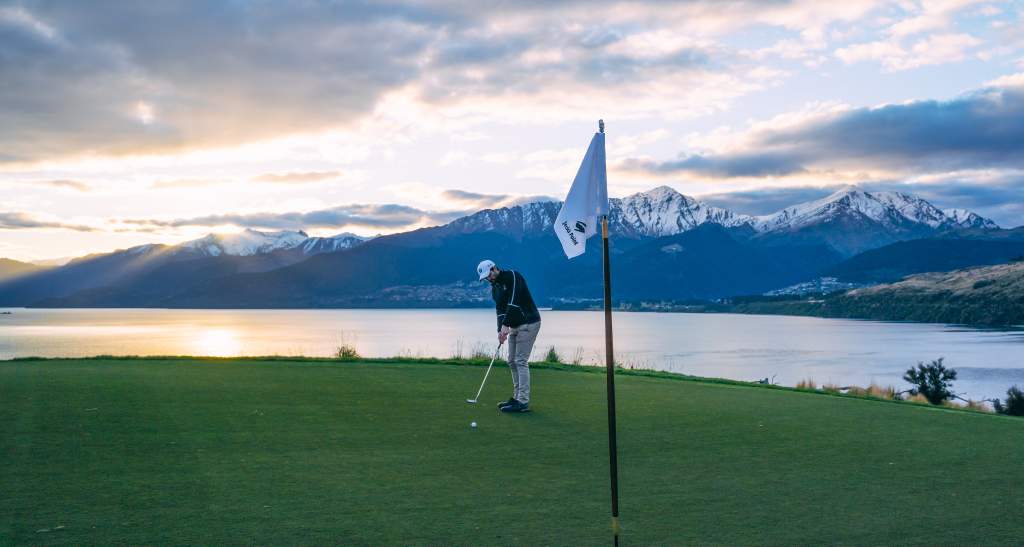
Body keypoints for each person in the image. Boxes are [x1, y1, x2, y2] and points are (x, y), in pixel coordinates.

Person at [476, 259, 541, 413]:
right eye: (485, 278)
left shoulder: (513, 276)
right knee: (511, 361)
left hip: (529, 323)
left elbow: (513, 302)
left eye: (488, 275)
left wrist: (506, 325)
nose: (488, 279)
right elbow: (500, 310)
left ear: (494, 268)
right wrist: (500, 330)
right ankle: (516, 397)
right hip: (515, 325)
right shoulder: (495, 288)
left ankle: (523, 401)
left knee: (520, 360)